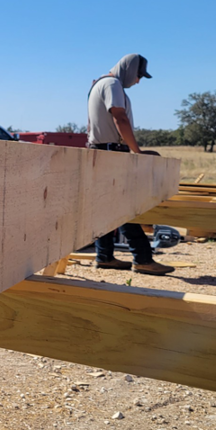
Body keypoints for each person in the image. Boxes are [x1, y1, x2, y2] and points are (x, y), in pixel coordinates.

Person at [87, 53, 174, 275]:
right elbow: (120, 118)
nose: (137, 81)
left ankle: (104, 256)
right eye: (138, 75)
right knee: (125, 208)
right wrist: (138, 152)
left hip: (102, 152)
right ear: (128, 68)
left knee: (106, 209)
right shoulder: (112, 84)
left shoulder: (101, 83)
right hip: (111, 153)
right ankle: (143, 259)